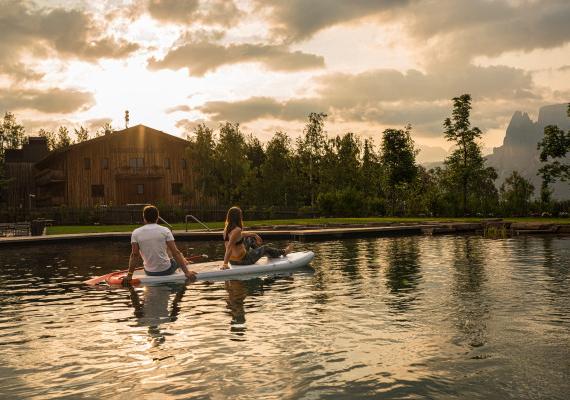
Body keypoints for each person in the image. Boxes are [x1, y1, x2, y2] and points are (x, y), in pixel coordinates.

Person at [123, 205, 196, 285]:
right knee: (177, 253)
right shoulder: (165, 230)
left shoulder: (136, 233)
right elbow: (175, 252)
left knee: (168, 249)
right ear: (157, 217)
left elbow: (134, 255)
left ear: (144, 218)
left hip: (149, 272)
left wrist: (129, 275)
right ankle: (185, 262)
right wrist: (187, 272)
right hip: (167, 270)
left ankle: (184, 261)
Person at [222, 206, 292, 269]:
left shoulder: (226, 229)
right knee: (265, 247)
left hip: (233, 261)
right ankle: (283, 252)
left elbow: (239, 235)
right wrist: (225, 264)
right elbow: (229, 247)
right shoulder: (237, 230)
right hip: (243, 260)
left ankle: (264, 252)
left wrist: (254, 235)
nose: (242, 216)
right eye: (240, 215)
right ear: (237, 217)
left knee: (249, 239)